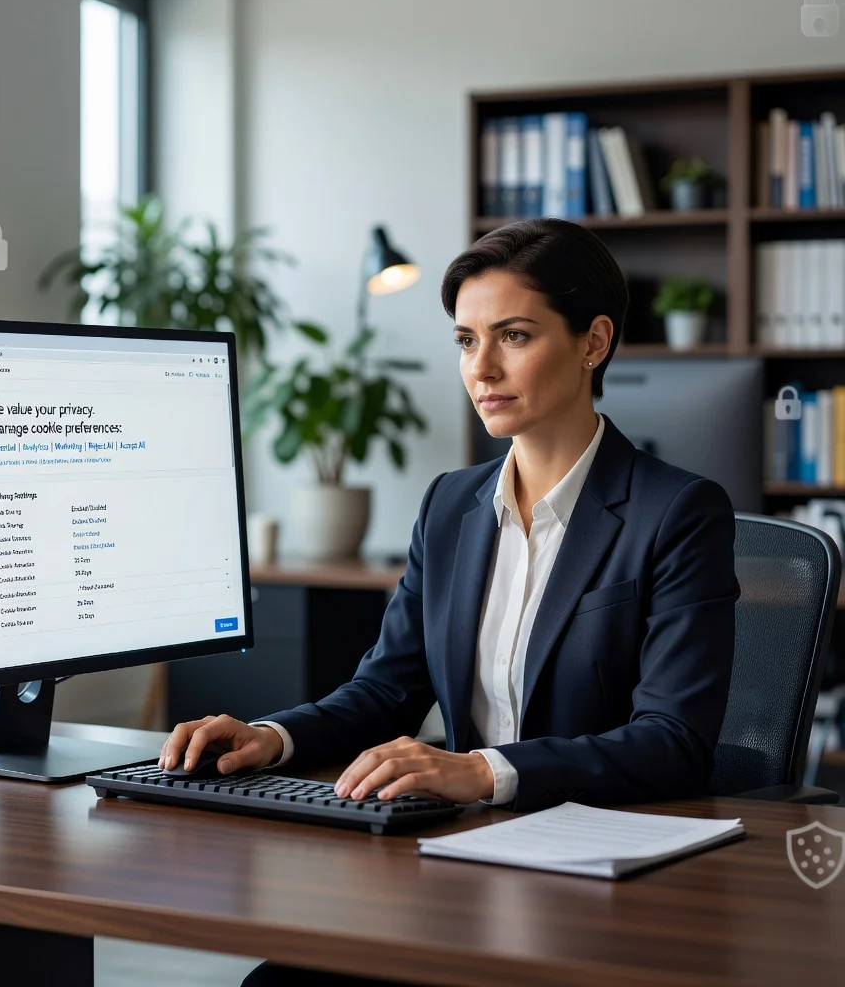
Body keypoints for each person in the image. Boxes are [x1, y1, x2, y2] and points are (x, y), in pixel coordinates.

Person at [162, 218, 740, 987]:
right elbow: (385, 690)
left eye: (515, 336)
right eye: (467, 340)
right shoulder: (450, 506)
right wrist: (272, 737)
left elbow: (672, 740)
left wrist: (481, 770)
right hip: (462, 864)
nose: (483, 369)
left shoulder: (678, 513)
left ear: (593, 342)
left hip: (600, 883)